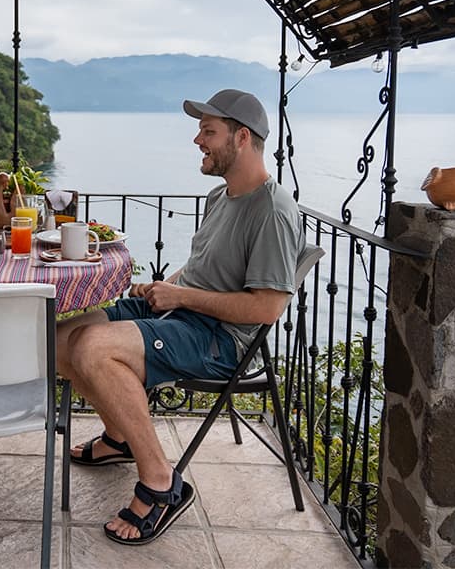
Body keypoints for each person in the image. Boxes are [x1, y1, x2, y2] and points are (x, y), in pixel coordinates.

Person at [56, 88, 302, 544]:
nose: (197, 141)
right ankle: (120, 438)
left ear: (241, 137)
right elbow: (202, 267)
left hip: (220, 340)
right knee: (58, 338)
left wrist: (182, 297)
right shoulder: (220, 196)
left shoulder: (272, 211)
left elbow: (266, 307)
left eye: (208, 131)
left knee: (93, 347)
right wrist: (165, 286)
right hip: (181, 313)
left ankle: (162, 483)